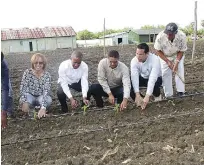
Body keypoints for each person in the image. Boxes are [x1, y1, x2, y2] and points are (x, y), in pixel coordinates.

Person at [154, 22, 187, 98]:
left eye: (171, 34)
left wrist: (177, 62)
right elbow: (158, 51)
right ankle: (168, 94)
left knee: (179, 70)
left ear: (175, 33)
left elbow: (181, 50)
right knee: (165, 74)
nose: (168, 35)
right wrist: (167, 61)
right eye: (167, 33)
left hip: (177, 54)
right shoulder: (160, 36)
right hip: (165, 55)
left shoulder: (182, 36)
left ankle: (181, 91)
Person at [19, 53, 52, 119]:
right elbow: (23, 88)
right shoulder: (27, 72)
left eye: (40, 63)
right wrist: (24, 102)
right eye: (36, 62)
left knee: (48, 100)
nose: (38, 65)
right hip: (30, 96)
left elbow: (46, 92)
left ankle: (42, 110)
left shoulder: (47, 75)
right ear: (32, 63)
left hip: (41, 97)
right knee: (23, 100)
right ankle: (30, 111)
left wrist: (43, 107)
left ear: (44, 64)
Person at [130, 43, 162, 110]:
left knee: (154, 82)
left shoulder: (155, 60)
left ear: (147, 54)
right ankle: (140, 100)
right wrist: (137, 94)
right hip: (143, 77)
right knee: (130, 82)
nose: (138, 56)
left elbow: (152, 78)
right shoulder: (134, 61)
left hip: (156, 78)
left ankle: (157, 96)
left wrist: (147, 95)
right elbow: (134, 77)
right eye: (137, 53)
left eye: (141, 54)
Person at [1, 52, 14, 128]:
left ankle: (9, 111)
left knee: (9, 92)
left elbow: (5, 88)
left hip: (2, 74)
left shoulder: (3, 66)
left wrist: (3, 112)